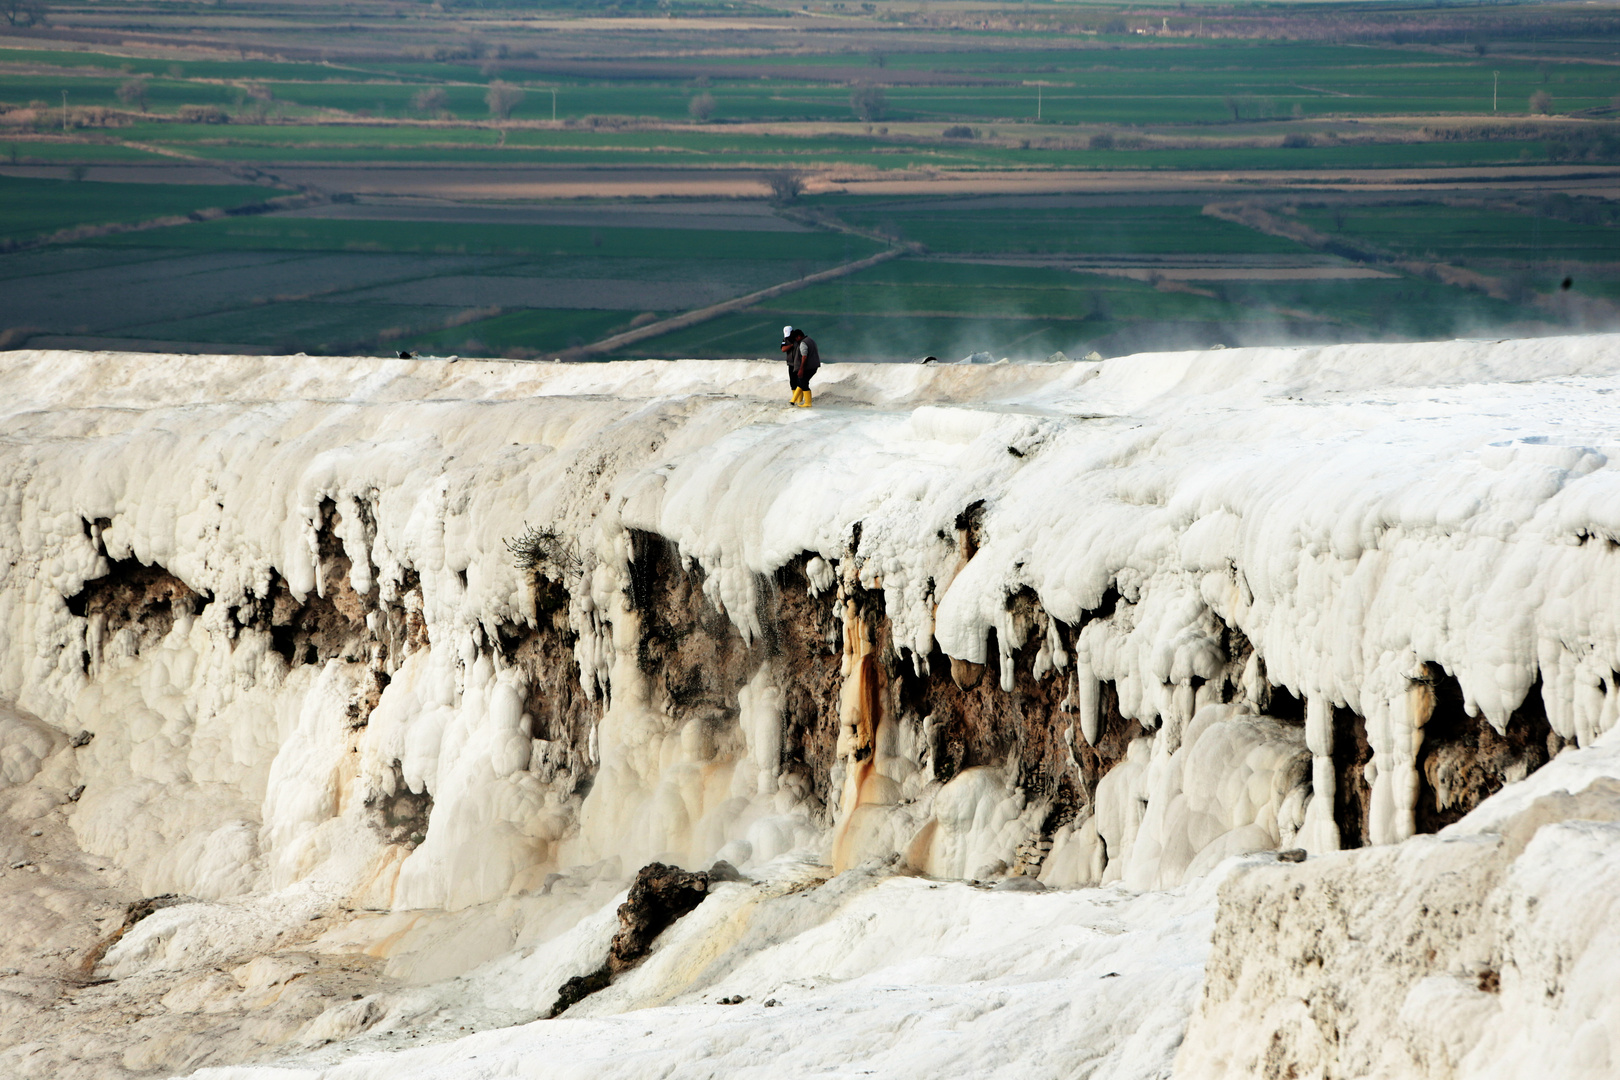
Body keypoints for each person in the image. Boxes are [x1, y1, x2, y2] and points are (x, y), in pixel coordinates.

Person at [781, 325, 820, 407]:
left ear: (798, 336)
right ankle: (794, 400)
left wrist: (801, 369)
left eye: (796, 338)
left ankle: (807, 403)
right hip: (812, 365)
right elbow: (783, 349)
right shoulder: (810, 340)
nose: (795, 340)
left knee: (802, 382)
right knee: (800, 382)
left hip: (807, 366)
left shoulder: (803, 343)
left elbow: (804, 356)